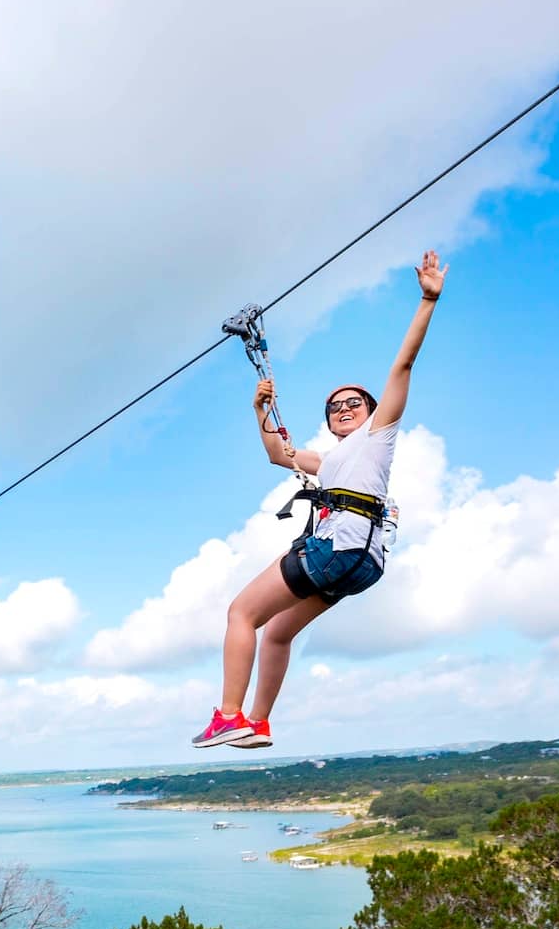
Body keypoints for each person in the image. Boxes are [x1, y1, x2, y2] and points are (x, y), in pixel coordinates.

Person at [192, 250, 448, 750]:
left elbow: (404, 363)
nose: (344, 407)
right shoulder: (330, 461)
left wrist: (427, 299)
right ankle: (258, 723)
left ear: (374, 412)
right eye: (335, 407)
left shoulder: (378, 438)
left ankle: (228, 715)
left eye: (355, 402)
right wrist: (261, 408)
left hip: (337, 551)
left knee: (241, 614)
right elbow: (276, 454)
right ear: (329, 422)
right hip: (361, 563)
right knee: (279, 633)